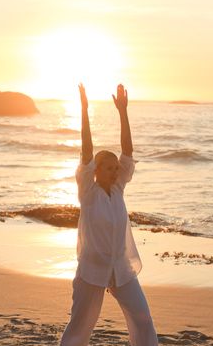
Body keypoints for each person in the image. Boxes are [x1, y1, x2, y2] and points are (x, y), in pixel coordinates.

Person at [60, 84, 158, 346]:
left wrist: (122, 112)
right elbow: (87, 150)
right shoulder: (88, 192)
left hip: (121, 268)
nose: (115, 172)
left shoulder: (118, 188)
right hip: (92, 269)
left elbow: (127, 152)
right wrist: (84, 110)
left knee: (143, 320)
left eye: (116, 169)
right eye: (108, 168)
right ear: (95, 170)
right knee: (80, 327)